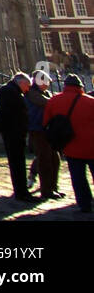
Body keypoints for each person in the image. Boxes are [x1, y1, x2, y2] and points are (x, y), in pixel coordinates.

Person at [43, 73, 94, 214]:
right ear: (80, 87)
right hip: (91, 146)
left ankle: (85, 205)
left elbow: (47, 121)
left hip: (71, 146)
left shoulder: (54, 100)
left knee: (78, 177)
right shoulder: (90, 102)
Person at [0, 72, 41, 202]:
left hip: (17, 132)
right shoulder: (8, 91)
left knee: (19, 162)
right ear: (21, 83)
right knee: (16, 163)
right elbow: (2, 112)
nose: (28, 89)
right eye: (27, 85)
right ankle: (21, 192)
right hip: (13, 133)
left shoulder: (14, 91)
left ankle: (22, 190)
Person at [25, 70, 63, 199]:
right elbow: (47, 103)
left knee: (55, 159)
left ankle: (53, 186)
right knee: (44, 160)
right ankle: (46, 190)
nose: (48, 84)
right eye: (46, 81)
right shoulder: (32, 93)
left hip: (47, 129)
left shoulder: (44, 93)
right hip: (38, 130)